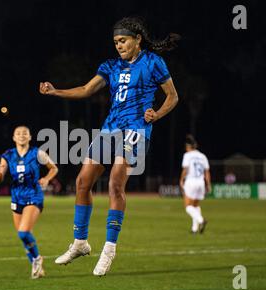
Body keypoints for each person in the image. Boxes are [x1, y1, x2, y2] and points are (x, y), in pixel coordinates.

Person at [39, 17, 179, 276]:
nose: (119, 46)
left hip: (135, 130)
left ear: (138, 40)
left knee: (116, 183)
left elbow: (173, 96)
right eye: (116, 42)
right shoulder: (110, 66)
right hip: (109, 128)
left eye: (123, 40)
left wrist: (157, 115)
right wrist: (55, 91)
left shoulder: (153, 62)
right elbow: (85, 89)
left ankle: (109, 249)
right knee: (82, 181)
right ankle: (80, 243)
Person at [0, 126, 58, 279]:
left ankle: (37, 259)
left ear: (30, 137)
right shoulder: (8, 155)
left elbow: (53, 168)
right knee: (22, 236)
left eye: (25, 133)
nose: (21, 135)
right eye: (18, 133)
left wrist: (46, 179)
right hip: (16, 197)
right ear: (13, 137)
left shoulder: (37, 153)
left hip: (34, 195)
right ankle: (36, 266)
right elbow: (0, 173)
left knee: (24, 232)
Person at [179, 135, 211, 234]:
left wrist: (181, 180)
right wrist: (208, 184)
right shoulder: (202, 156)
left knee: (188, 206)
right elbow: (207, 172)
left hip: (191, 181)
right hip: (200, 182)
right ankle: (194, 229)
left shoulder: (187, 155)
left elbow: (185, 169)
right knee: (195, 205)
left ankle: (201, 220)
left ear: (188, 147)